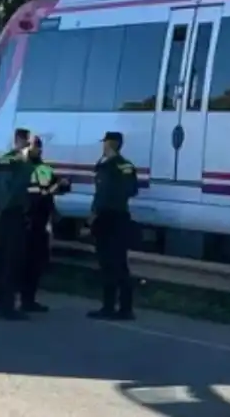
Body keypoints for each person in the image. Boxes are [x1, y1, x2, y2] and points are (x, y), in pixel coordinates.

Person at [88, 130, 139, 320]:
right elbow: (132, 190)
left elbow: (101, 195)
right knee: (120, 265)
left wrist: (93, 216)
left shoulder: (107, 167)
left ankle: (109, 307)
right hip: (121, 217)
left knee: (109, 265)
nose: (103, 146)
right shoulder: (126, 165)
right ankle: (125, 308)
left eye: (105, 142)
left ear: (110, 144)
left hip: (107, 218)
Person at [0, 127, 34, 320]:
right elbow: (17, 190)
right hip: (13, 215)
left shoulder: (1, 160)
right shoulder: (22, 164)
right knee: (11, 263)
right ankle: (8, 307)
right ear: (25, 142)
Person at [20, 134, 70, 313]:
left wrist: (63, 184)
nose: (36, 149)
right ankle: (14, 301)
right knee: (20, 263)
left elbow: (53, 188)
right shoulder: (19, 167)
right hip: (23, 220)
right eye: (32, 146)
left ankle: (29, 300)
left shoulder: (44, 169)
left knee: (35, 263)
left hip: (39, 222)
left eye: (37, 146)